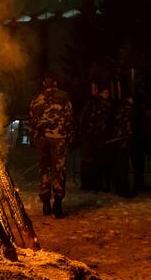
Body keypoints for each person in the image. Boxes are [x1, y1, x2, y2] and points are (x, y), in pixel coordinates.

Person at [29, 75, 74, 218]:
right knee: (58, 170)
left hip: (42, 139)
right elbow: (69, 117)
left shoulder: (36, 98)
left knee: (44, 170)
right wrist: (70, 136)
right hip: (58, 138)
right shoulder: (63, 96)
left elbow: (31, 120)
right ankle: (58, 203)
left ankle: (46, 203)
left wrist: (35, 137)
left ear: (43, 83)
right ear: (55, 83)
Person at [78, 86, 112, 191]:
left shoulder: (102, 104)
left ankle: (93, 183)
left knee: (95, 162)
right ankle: (90, 184)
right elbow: (94, 121)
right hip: (93, 138)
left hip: (95, 137)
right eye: (105, 92)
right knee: (92, 162)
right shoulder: (97, 105)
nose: (107, 95)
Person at [108, 94, 136, 197]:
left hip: (118, 140)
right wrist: (129, 133)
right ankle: (124, 189)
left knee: (119, 164)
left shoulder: (119, 108)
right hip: (122, 140)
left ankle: (119, 187)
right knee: (123, 165)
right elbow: (127, 124)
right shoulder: (127, 109)